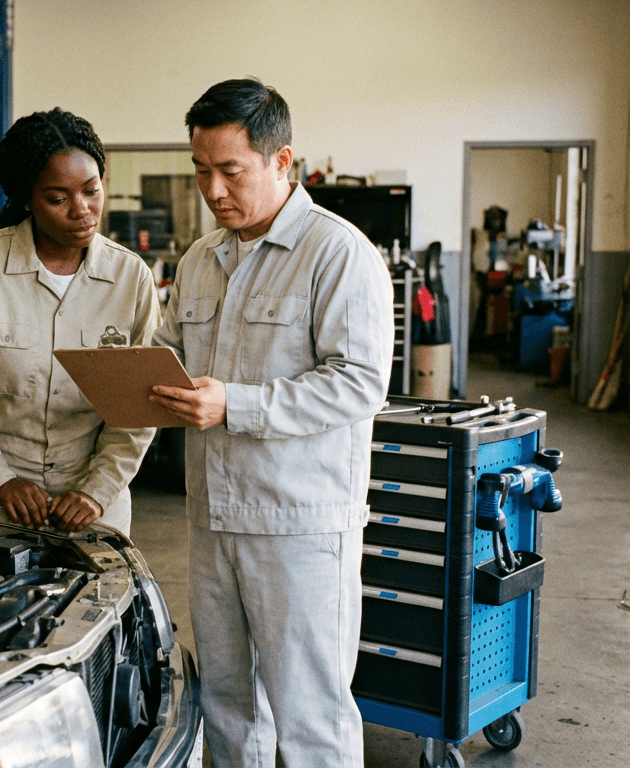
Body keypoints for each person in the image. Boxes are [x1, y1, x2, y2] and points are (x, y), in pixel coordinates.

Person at [148, 78, 393, 767]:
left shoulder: (337, 254)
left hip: (299, 526)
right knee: (227, 707)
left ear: (282, 161)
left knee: (310, 717)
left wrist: (237, 404)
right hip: (213, 518)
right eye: (201, 170)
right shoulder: (201, 260)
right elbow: (170, 354)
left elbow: (360, 382)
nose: (213, 190)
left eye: (231, 171)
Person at [0, 108, 160, 537]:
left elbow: (137, 407)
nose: (82, 210)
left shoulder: (131, 278)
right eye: (58, 198)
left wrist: (96, 492)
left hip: (93, 508)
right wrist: (0, 480)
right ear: (27, 199)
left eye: (92, 190)